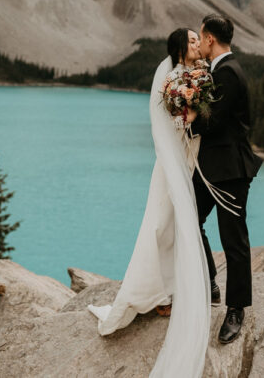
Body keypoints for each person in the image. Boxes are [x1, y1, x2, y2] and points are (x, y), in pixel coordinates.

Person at [88, 28, 210, 378]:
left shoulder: (199, 75)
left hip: (188, 159)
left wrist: (197, 113)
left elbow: (199, 118)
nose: (196, 43)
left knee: (174, 227)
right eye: (190, 40)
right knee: (159, 224)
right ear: (178, 48)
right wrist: (186, 115)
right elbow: (170, 123)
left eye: (196, 38)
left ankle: (168, 292)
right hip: (170, 163)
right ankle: (149, 292)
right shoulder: (172, 79)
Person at [188, 14, 263, 345]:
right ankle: (211, 282)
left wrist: (186, 114)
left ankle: (236, 310)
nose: (200, 44)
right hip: (209, 168)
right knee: (188, 219)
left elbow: (213, 121)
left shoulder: (229, 73)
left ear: (209, 40)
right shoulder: (219, 71)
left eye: (201, 37)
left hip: (230, 171)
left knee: (234, 240)